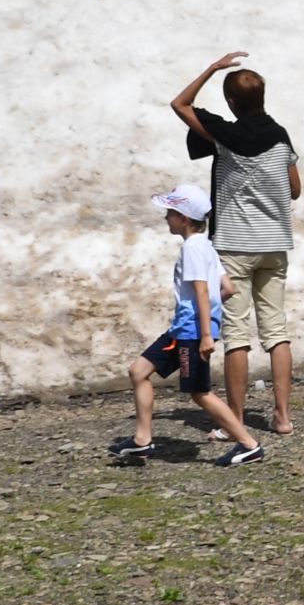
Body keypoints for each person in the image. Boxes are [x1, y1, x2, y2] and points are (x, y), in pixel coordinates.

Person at [172, 52, 301, 437]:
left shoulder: (224, 134)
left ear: (231, 102)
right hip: (275, 243)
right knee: (276, 331)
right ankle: (282, 417)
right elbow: (294, 189)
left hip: (234, 245)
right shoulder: (280, 134)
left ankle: (235, 421)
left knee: (238, 336)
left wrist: (212, 68)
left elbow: (180, 104)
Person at [110, 184, 265, 466]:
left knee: (200, 393)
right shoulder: (205, 246)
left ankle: (248, 444)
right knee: (138, 371)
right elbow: (227, 288)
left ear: (184, 218)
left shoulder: (193, 248)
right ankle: (141, 441)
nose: (166, 217)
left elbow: (204, 290)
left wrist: (206, 334)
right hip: (183, 329)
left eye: (170, 212)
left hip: (193, 332)